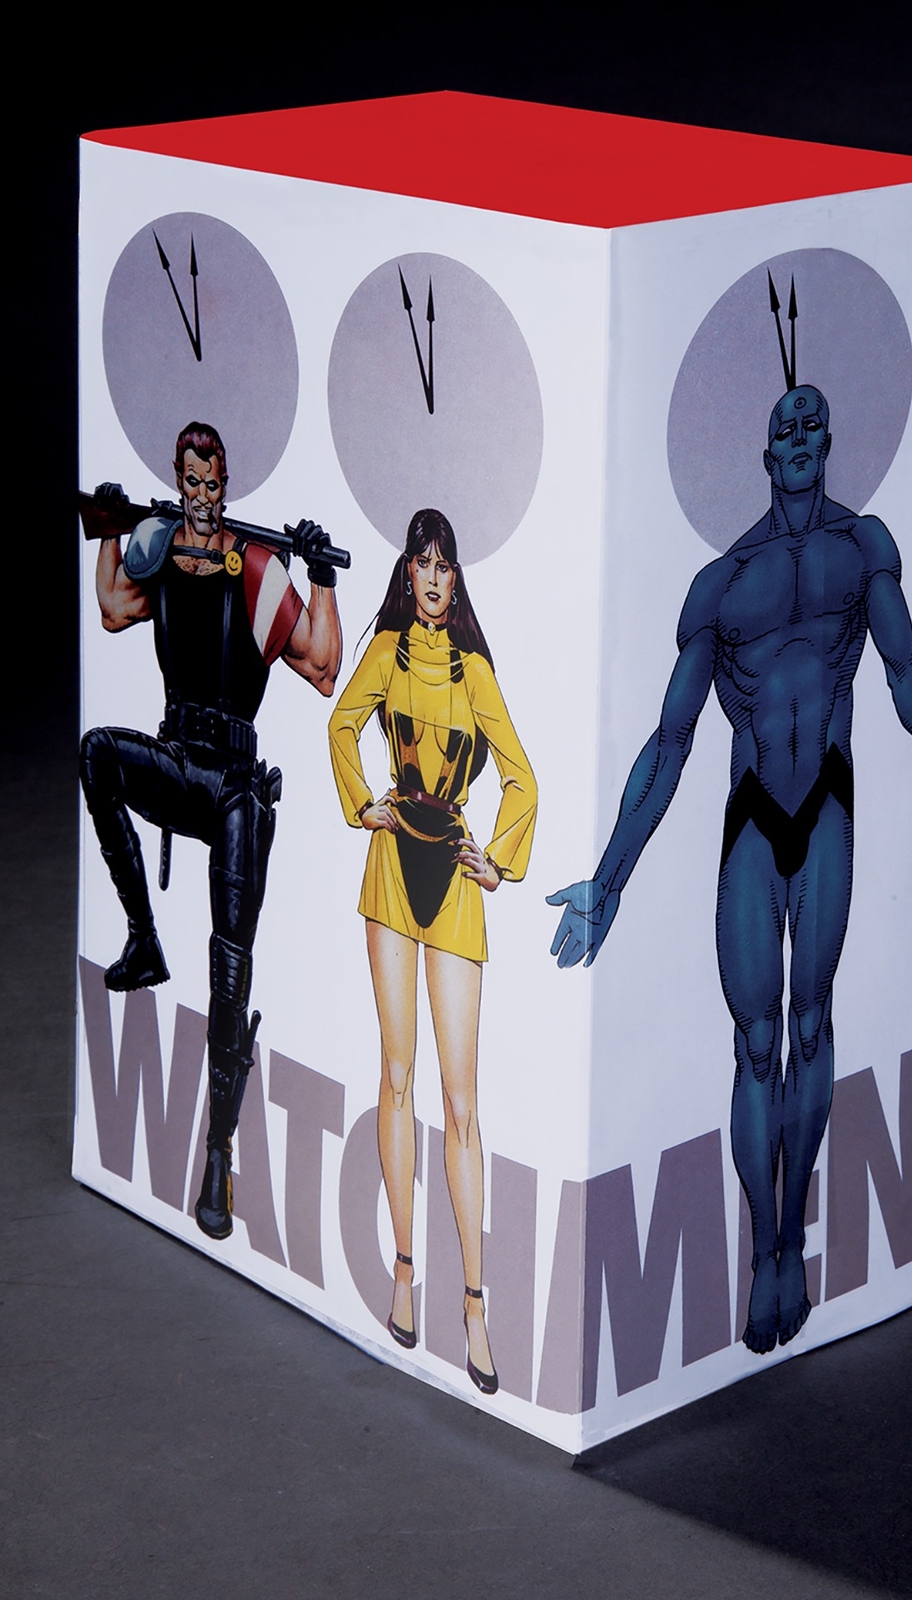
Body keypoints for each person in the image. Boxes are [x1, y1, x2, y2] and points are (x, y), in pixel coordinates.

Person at [548, 384, 912, 1354]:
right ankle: (761, 1247)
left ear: (829, 442)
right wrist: (608, 879)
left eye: (814, 422)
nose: (801, 435)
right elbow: (668, 741)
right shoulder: (720, 583)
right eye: (785, 426)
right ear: (765, 454)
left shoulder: (863, 547)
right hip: (749, 819)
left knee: (811, 1025)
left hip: (826, 805)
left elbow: (904, 668)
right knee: (755, 1041)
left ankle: (790, 1246)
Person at [80, 421, 342, 1241]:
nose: (199, 496)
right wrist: (112, 529)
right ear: (178, 482)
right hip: (175, 764)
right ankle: (142, 939)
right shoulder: (161, 555)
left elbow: (322, 666)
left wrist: (321, 576)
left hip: (232, 788)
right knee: (97, 753)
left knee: (229, 974)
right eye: (188, 482)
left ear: (226, 486)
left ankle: (217, 1154)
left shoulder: (256, 568)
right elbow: (114, 609)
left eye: (211, 483)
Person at [328, 508, 536, 1395]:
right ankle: (404, 1274)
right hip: (388, 871)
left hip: (450, 878)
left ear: (457, 577)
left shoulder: (473, 670)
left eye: (445, 564)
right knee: (396, 1074)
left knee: (459, 1101)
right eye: (422, 562)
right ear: (407, 573)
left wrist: (500, 861)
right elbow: (341, 727)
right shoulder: (384, 652)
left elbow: (522, 777)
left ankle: (475, 1306)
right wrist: (362, 804)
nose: (435, 578)